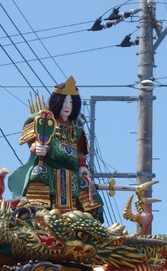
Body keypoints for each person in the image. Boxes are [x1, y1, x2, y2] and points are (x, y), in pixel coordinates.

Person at [7, 76, 104, 221]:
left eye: (71, 102)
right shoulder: (44, 119)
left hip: (72, 172)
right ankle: (36, 215)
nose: (67, 106)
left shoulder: (77, 127)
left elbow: (80, 152)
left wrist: (83, 166)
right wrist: (37, 147)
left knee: (87, 189)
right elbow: (34, 142)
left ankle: (87, 220)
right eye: (64, 101)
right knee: (38, 174)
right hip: (48, 167)